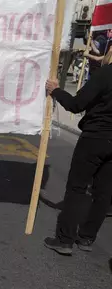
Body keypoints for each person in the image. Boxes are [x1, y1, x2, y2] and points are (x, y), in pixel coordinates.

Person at [44, 49, 112, 255]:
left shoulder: (105, 74)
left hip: (95, 137)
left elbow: (76, 104)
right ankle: (87, 238)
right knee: (104, 193)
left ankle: (65, 239)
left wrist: (56, 91)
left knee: (77, 188)